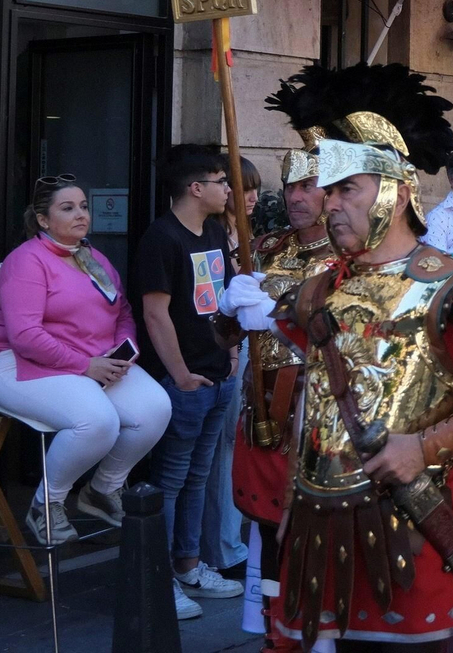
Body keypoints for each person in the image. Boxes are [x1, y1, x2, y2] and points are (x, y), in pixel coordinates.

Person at [223, 61, 453, 651]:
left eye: (346, 188)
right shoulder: (318, 290)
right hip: (315, 521)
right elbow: (309, 405)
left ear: (394, 190)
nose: (329, 202)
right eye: (326, 189)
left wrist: (421, 447)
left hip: (407, 527)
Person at [0, 176, 170, 547]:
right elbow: (26, 337)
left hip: (89, 363)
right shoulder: (27, 261)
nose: (81, 214)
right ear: (43, 220)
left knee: (156, 408)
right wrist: (87, 365)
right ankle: (45, 505)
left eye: (83, 205)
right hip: (16, 365)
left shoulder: (91, 256)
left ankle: (102, 490)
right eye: (68, 208)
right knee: (97, 421)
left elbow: (123, 312)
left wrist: (121, 352)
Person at [222, 87, 336, 653]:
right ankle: (276, 635)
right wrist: (225, 307)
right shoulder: (262, 248)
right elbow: (228, 335)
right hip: (262, 408)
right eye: (290, 185)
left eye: (308, 185)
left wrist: (284, 313)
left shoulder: (352, 257)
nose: (296, 196)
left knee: (318, 527)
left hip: (319, 412)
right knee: (267, 528)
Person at [131, 144, 244, 619]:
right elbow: (155, 313)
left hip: (219, 374)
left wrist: (233, 348)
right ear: (196, 188)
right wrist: (180, 375)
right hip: (185, 381)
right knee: (172, 479)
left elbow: (227, 295)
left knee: (199, 477)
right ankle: (160, 580)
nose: (228, 189)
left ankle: (189, 566)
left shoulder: (216, 230)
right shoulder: (162, 238)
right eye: (221, 181)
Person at [204, 155, 260, 580]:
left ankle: (227, 541)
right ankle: (223, 546)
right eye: (240, 188)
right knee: (221, 447)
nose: (249, 197)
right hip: (224, 352)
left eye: (252, 188)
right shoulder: (212, 237)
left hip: (242, 351)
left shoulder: (244, 234)